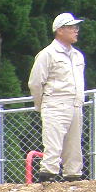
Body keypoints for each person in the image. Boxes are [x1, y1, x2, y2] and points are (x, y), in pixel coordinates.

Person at [28, 13, 87, 182]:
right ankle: (48, 177)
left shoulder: (77, 56)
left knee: (74, 146)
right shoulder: (47, 54)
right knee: (53, 145)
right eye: (72, 27)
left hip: (75, 104)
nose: (76, 31)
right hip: (55, 103)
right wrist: (43, 104)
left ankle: (73, 176)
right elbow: (35, 83)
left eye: (76, 27)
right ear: (60, 30)